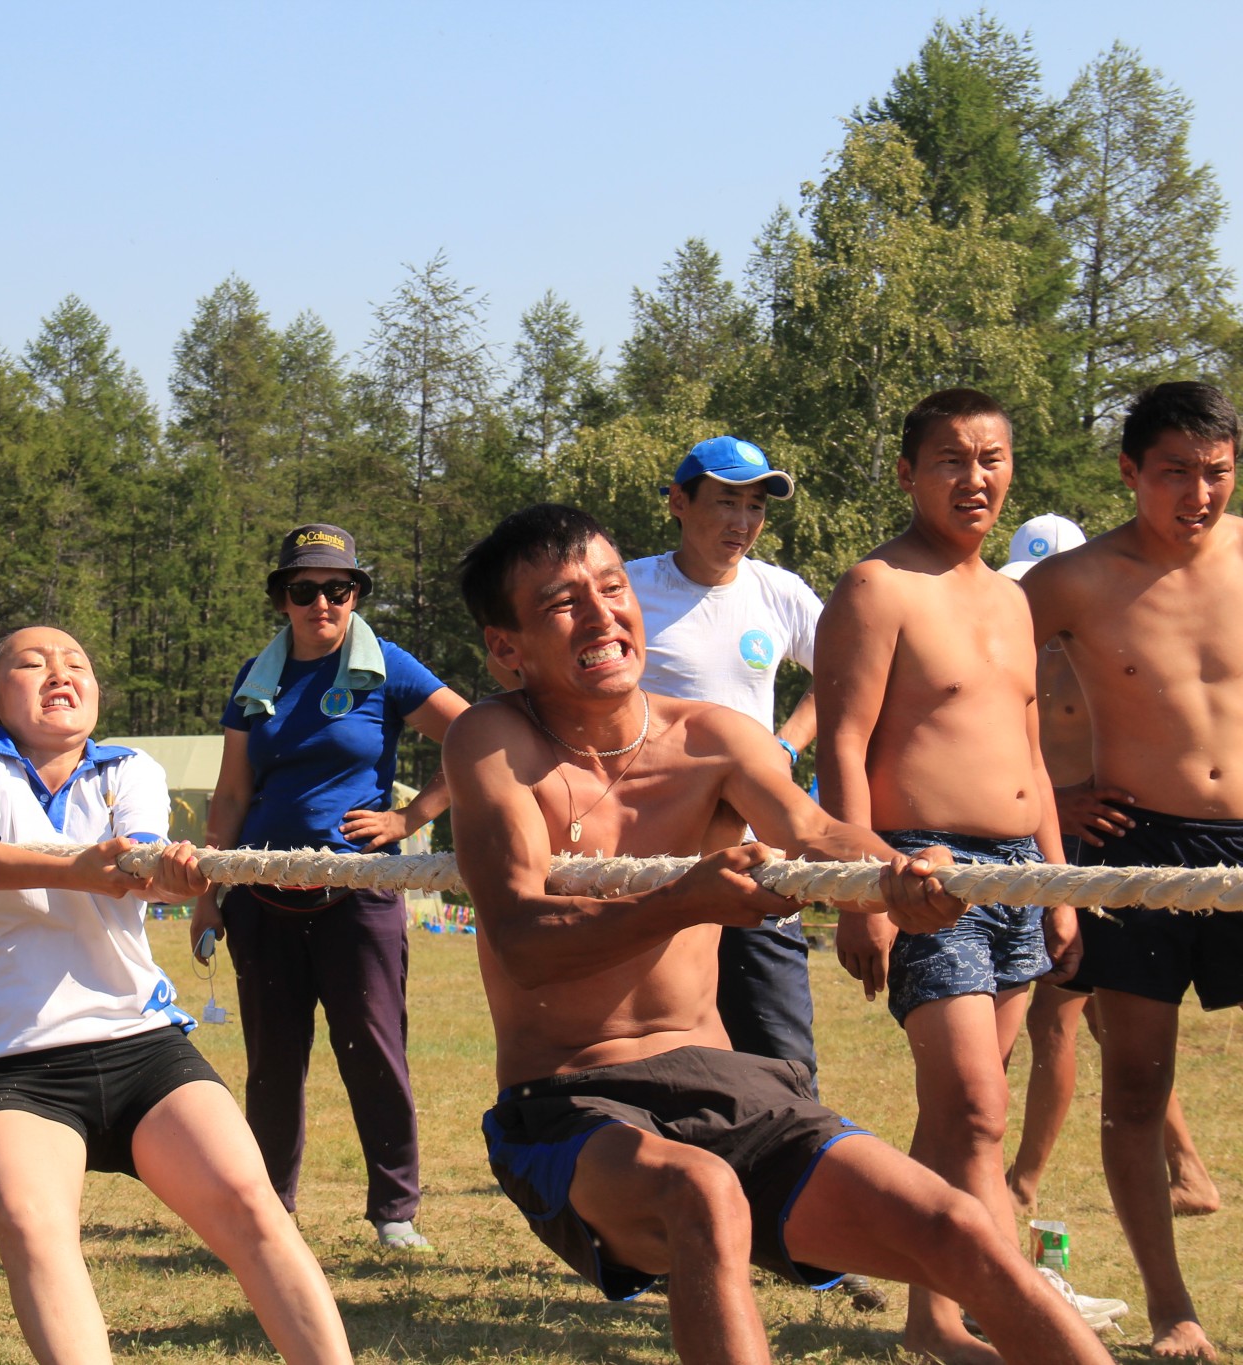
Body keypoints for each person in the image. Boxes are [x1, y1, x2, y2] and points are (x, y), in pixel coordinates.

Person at [444, 502, 1113, 1365]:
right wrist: (681, 901)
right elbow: (522, 938)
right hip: (565, 1103)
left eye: (613, 587)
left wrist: (890, 873)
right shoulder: (493, 742)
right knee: (704, 1193)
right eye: (562, 603)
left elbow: (814, 829)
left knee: (960, 1227)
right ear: (507, 648)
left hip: (727, 1082)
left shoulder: (713, 738)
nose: (604, 613)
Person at [0, 625, 354, 1365]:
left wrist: (172, 874)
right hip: (16, 1065)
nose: (60, 671)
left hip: (142, 1046)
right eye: (32, 662)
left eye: (76, 662)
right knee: (32, 1228)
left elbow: (138, 865)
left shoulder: (128, 767)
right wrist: (74, 870)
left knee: (256, 1208)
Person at [815, 389, 1121, 1359]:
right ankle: (1014, 1311)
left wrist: (1054, 880)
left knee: (960, 1114)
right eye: (949, 459)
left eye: (989, 458)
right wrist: (860, 890)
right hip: (922, 876)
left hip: (1016, 878)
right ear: (907, 474)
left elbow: (1029, 751)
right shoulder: (875, 589)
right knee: (977, 1111)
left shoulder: (1010, 600)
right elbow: (840, 746)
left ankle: (927, 1319)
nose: (972, 477)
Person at [1022, 380, 1243, 1362]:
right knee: (1135, 1083)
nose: (1196, 496)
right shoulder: (1072, 580)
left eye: (1215, 475)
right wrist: (1047, 796)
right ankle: (1169, 1305)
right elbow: (965, 676)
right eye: (1174, 476)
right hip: (1132, 839)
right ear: (1127, 473)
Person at [188, 524, 469, 1251]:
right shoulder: (257, 676)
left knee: (375, 1051)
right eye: (304, 589)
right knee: (272, 1062)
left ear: (356, 594)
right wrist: (207, 891)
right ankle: (271, 1209)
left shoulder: (388, 666)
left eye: (338, 588)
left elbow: (475, 736)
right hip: (260, 895)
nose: (322, 602)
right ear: (282, 598)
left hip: (359, 895)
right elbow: (230, 794)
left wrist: (412, 814)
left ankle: (395, 1212)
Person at [997, 515, 1220, 1222]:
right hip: (1046, 834)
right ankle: (1184, 1167)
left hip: (1102, 843)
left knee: (1065, 1018)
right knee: (1099, 1023)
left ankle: (1024, 1182)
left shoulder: (1121, 637)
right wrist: (1047, 803)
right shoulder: (1035, 650)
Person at [627, 436, 824, 1082]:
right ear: (679, 502)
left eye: (756, 506)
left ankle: (791, 1169)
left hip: (756, 855)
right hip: (650, 859)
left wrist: (787, 743)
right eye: (727, 502)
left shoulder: (779, 592)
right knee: (656, 1041)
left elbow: (848, 673)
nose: (743, 522)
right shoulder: (627, 589)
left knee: (782, 1051)